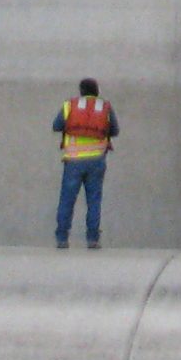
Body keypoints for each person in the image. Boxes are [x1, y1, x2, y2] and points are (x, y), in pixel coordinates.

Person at [51, 77, 117, 250]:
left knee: (67, 200)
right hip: (96, 161)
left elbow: (56, 125)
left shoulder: (69, 105)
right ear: (97, 91)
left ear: (81, 91)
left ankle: (62, 238)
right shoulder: (105, 108)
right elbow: (115, 130)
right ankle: (93, 239)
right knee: (94, 201)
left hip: (73, 161)